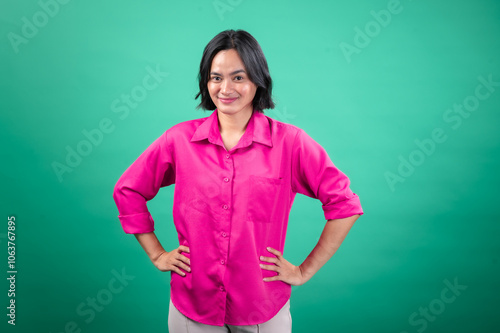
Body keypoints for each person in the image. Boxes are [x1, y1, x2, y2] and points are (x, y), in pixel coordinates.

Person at [112, 29, 363, 333]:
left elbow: (345, 204)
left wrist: (303, 271)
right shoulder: (179, 140)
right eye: (216, 77)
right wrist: (156, 253)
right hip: (192, 305)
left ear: (258, 80)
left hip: (262, 307)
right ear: (206, 82)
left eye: (239, 77)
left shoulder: (291, 143)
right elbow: (129, 190)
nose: (226, 88)